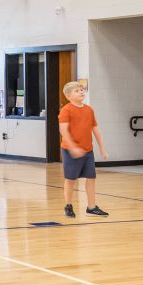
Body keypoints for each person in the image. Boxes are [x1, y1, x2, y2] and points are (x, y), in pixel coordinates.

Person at [58, 81, 108, 218]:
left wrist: (102, 148)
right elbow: (63, 130)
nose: (81, 92)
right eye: (77, 91)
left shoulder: (89, 110)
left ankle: (91, 207)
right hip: (70, 151)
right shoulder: (66, 110)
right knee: (70, 179)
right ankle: (68, 206)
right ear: (69, 96)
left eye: (81, 90)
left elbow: (95, 130)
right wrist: (73, 147)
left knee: (91, 178)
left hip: (87, 150)